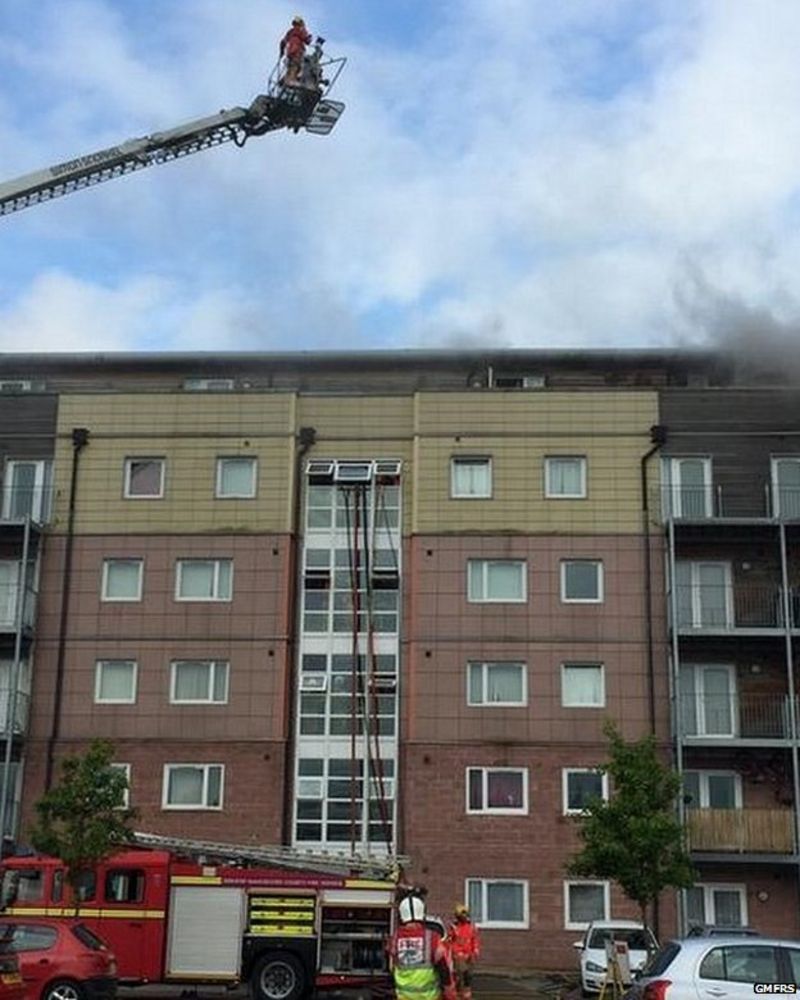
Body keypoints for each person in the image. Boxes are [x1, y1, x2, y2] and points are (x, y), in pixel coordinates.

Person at [388, 889, 455, 1000]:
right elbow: (443, 968)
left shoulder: (395, 938)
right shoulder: (432, 937)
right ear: (422, 913)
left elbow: (392, 964)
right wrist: (449, 991)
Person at [447, 904, 480, 1000]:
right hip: (458, 955)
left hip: (469, 955)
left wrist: (475, 950)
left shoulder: (471, 927)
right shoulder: (454, 927)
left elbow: (475, 939)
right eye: (462, 915)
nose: (464, 917)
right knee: (460, 974)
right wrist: (454, 952)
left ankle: (466, 993)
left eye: (466, 915)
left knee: (468, 975)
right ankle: (458, 993)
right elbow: (450, 941)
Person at [279, 16, 312, 87]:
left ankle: (286, 79)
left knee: (291, 65)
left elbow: (282, 42)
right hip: (298, 50)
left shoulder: (290, 32)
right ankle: (291, 80)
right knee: (296, 65)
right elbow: (307, 41)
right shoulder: (300, 30)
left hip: (290, 51)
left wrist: (282, 52)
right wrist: (309, 37)